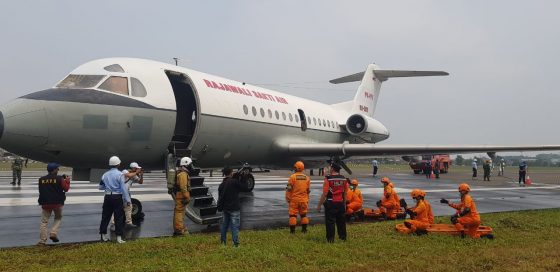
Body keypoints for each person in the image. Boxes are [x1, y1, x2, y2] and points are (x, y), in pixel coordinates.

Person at [99, 156, 131, 243]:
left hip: (107, 197)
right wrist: (128, 200)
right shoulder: (120, 174)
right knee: (118, 217)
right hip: (117, 197)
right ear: (118, 164)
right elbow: (124, 189)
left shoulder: (105, 174)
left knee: (105, 216)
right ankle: (119, 238)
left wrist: (108, 187)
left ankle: (103, 236)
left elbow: (100, 187)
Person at [37, 163, 70, 245]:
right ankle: (53, 233)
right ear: (54, 170)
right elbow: (66, 189)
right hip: (57, 203)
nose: (58, 170)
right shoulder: (60, 179)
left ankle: (42, 240)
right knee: (58, 218)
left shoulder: (41, 179)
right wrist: (67, 181)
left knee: (44, 222)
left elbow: (41, 191)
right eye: (57, 169)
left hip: (45, 203)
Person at [316, 163, 348, 243]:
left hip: (331, 202)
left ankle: (330, 240)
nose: (329, 169)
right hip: (340, 203)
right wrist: (344, 204)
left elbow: (325, 193)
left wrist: (319, 205)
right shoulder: (344, 179)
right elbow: (345, 193)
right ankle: (343, 238)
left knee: (330, 222)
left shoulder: (328, 179)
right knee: (341, 222)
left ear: (332, 169)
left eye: (330, 168)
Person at [218, 166, 249, 247]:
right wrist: (244, 177)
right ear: (231, 172)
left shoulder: (222, 184)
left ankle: (223, 243)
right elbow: (245, 187)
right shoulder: (234, 182)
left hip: (225, 208)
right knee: (234, 227)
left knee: (224, 225)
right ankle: (235, 245)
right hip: (234, 208)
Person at [115, 162, 143, 228]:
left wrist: (141, 175)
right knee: (117, 208)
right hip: (120, 192)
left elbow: (140, 182)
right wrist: (136, 172)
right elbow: (129, 175)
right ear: (133, 168)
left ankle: (128, 223)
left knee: (129, 207)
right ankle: (113, 223)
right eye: (136, 168)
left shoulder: (134, 175)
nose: (137, 169)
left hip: (126, 193)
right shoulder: (125, 171)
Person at [285, 161, 311, 234]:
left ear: (296, 168)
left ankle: (292, 232)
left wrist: (288, 198)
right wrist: (307, 199)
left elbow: (289, 189)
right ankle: (304, 230)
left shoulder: (292, 177)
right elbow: (308, 190)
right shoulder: (307, 178)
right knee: (303, 215)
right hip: (304, 200)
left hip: (294, 200)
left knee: (293, 215)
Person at [173, 157, 192, 236]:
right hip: (182, 196)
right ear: (186, 164)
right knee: (179, 213)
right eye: (190, 164)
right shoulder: (183, 174)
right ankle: (179, 230)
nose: (191, 166)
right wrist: (187, 196)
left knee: (179, 212)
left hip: (180, 195)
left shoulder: (181, 172)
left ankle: (178, 228)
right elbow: (183, 187)